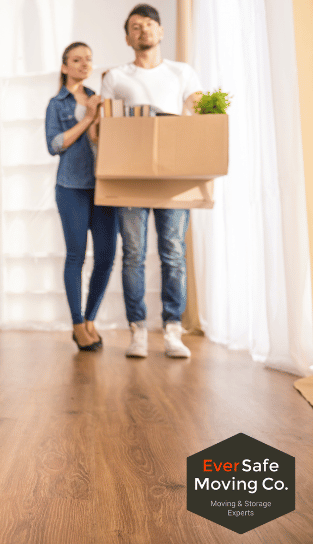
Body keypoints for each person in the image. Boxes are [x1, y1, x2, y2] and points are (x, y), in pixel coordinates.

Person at [100, 3, 202, 358]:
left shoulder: (182, 72)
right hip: (131, 178)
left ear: (160, 32)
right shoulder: (115, 77)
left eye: (148, 25)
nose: (142, 31)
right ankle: (138, 331)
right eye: (135, 27)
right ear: (128, 38)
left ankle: (173, 331)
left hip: (172, 177)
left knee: (173, 253)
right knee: (133, 255)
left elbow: (197, 112)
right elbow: (105, 128)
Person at [45, 42, 118, 352]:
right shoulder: (56, 103)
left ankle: (90, 319)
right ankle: (77, 324)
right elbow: (55, 144)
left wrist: (100, 120)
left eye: (88, 59)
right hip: (71, 188)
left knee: (106, 257)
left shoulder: (98, 99)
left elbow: (105, 142)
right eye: (76, 60)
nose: (83, 64)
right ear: (64, 67)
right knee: (76, 256)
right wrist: (87, 119)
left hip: (103, 187)